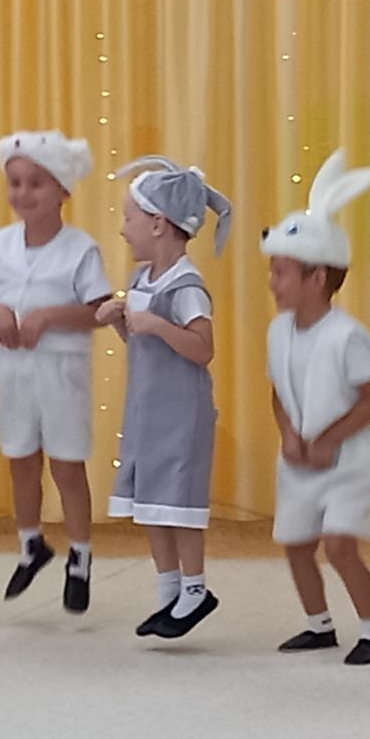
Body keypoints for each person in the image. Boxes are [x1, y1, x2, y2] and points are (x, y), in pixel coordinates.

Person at [0, 130, 110, 613]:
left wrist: (49, 316)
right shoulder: (0, 245)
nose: (23, 193)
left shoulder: (80, 249)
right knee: (21, 457)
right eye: (15, 183)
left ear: (63, 190)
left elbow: (99, 310)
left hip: (62, 371)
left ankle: (80, 556)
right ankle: (31, 544)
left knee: (66, 463)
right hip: (14, 369)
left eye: (36, 183)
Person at [262, 149, 370, 665]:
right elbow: (278, 391)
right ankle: (318, 625)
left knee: (338, 544)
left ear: (318, 278)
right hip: (300, 459)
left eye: (282, 272)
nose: (272, 282)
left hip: (349, 461)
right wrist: (289, 433)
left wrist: (330, 438)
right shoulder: (278, 331)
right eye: (272, 271)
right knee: (296, 545)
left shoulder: (347, 336)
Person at [98, 156, 232, 638]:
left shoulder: (186, 287)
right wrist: (121, 322)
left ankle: (194, 588)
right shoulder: (139, 281)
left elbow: (202, 349)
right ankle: (168, 587)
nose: (122, 229)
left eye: (128, 218)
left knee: (179, 501)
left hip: (180, 414)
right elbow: (144, 345)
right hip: (148, 411)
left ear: (158, 224)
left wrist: (156, 323)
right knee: (152, 501)